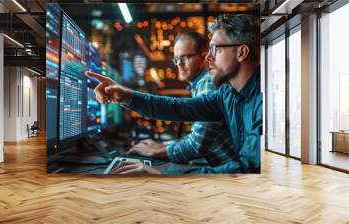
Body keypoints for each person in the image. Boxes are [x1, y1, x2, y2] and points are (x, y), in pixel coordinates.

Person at [86, 14, 261, 174]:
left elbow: (248, 170)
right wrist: (126, 96)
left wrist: (162, 174)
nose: (209, 57)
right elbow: (179, 108)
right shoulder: (228, 94)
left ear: (241, 52)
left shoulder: (262, 104)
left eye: (216, 49)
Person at [127, 32, 234, 171]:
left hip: (232, 171)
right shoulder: (200, 83)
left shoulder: (207, 83)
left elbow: (196, 145)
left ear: (204, 55)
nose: (179, 64)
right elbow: (198, 135)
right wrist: (164, 145)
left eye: (185, 57)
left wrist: (155, 152)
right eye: (176, 59)